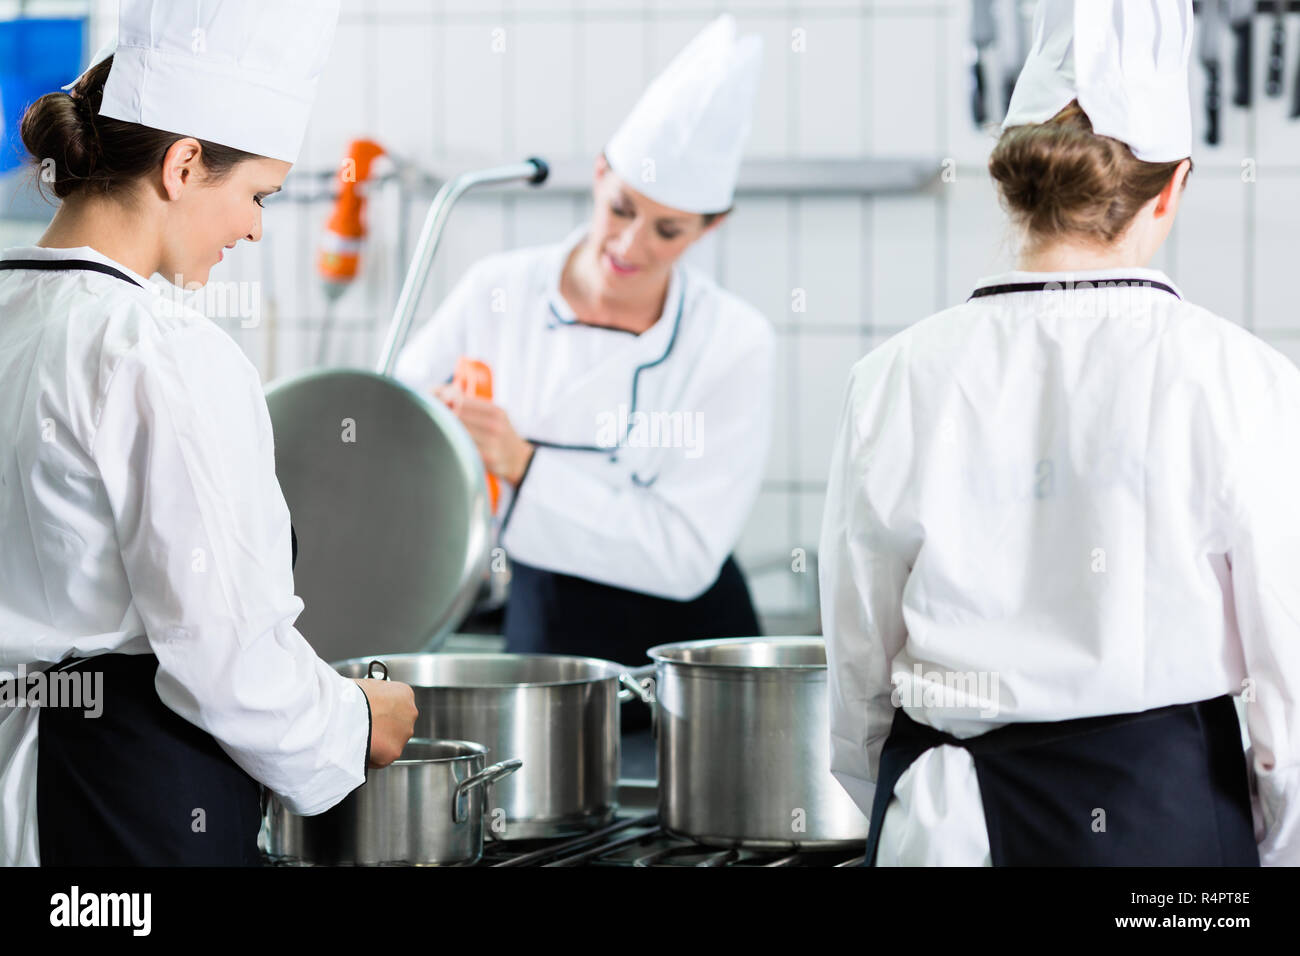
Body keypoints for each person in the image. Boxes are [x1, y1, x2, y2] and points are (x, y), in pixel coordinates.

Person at [820, 0, 1297, 866]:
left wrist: (898, 809)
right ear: (1177, 185)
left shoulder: (891, 379)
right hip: (1165, 824)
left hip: (945, 822)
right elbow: (1288, 687)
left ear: (1015, 183)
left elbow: (858, 673)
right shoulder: (1245, 382)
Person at [0, 0, 417, 866]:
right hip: (116, 806)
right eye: (257, 193)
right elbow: (223, 659)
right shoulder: (162, 350)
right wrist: (356, 721)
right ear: (185, 164)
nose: (256, 226)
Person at [394, 15, 775, 674]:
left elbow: (683, 553)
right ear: (600, 174)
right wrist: (442, 429)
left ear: (710, 228)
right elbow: (401, 427)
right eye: (622, 208)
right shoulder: (497, 290)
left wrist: (520, 460)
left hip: (688, 652)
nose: (630, 246)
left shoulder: (734, 341)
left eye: (668, 230)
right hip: (548, 628)